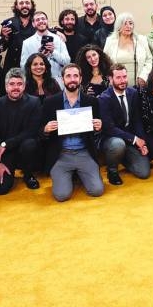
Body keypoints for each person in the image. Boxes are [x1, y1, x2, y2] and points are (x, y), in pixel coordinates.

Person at [41, 63, 105, 202]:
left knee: (97, 190)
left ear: (81, 79)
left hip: (84, 152)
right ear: (62, 79)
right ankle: (72, 175)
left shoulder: (91, 102)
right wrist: (45, 129)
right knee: (62, 195)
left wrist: (99, 127)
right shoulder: (50, 102)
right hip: (61, 154)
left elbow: (98, 133)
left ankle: (79, 174)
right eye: (68, 76)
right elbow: (39, 131)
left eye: (75, 76)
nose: (72, 79)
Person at [0, 67, 43, 191]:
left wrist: (6, 144)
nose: (16, 87)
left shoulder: (34, 102)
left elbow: (32, 131)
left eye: (19, 84)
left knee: (30, 143)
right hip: (5, 153)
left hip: (24, 149)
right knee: (1, 189)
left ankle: (28, 175)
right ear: (6, 86)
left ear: (24, 86)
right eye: (12, 84)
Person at [98, 64, 151, 184]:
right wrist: (134, 139)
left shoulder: (133, 93)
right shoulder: (104, 98)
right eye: (118, 77)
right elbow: (109, 128)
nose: (123, 81)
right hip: (111, 139)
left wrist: (142, 142)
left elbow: (137, 120)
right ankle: (112, 170)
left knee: (144, 172)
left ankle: (122, 158)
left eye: (125, 77)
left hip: (129, 139)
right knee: (118, 144)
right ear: (111, 79)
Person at [0, 0, 37, 91]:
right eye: (21, 3)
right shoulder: (8, 22)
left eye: (27, 3)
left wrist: (58, 31)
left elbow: (46, 32)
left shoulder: (37, 22)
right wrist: (5, 37)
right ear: (16, 6)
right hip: (12, 67)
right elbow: (2, 47)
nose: (24, 5)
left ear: (31, 5)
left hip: (33, 67)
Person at [103, 12, 153, 87]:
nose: (128, 26)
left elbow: (149, 59)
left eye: (130, 23)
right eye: (125, 24)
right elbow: (104, 61)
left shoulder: (141, 39)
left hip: (138, 84)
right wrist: (110, 78)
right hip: (116, 83)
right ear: (119, 26)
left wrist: (143, 76)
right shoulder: (110, 41)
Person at [20, 10, 71, 79]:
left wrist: (53, 51)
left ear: (47, 21)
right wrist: (38, 57)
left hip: (57, 82)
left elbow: (67, 62)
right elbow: (23, 67)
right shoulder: (27, 43)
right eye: (37, 20)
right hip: (36, 82)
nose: (41, 21)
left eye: (43, 19)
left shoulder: (58, 39)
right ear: (33, 24)